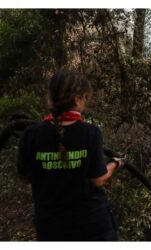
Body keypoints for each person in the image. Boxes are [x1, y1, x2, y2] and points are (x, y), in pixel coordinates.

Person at [17, 70, 123, 241]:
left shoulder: (30, 134)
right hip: (92, 226)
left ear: (50, 98)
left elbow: (25, 177)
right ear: (78, 99)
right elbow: (98, 179)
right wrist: (116, 164)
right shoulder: (91, 133)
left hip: (50, 227)